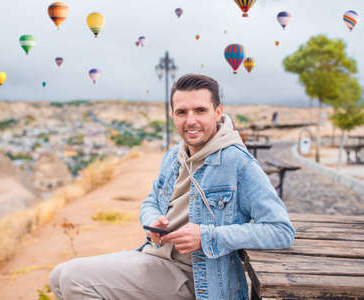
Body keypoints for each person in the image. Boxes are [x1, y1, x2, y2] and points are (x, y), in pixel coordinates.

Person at [49, 74, 295, 300]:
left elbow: (281, 230)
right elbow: (150, 202)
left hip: (198, 279)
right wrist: (153, 220)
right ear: (173, 115)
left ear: (218, 112)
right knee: (58, 276)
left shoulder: (238, 163)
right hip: (154, 257)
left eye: (200, 110)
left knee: (73, 278)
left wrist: (207, 236)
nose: (191, 121)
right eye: (182, 112)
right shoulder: (173, 157)